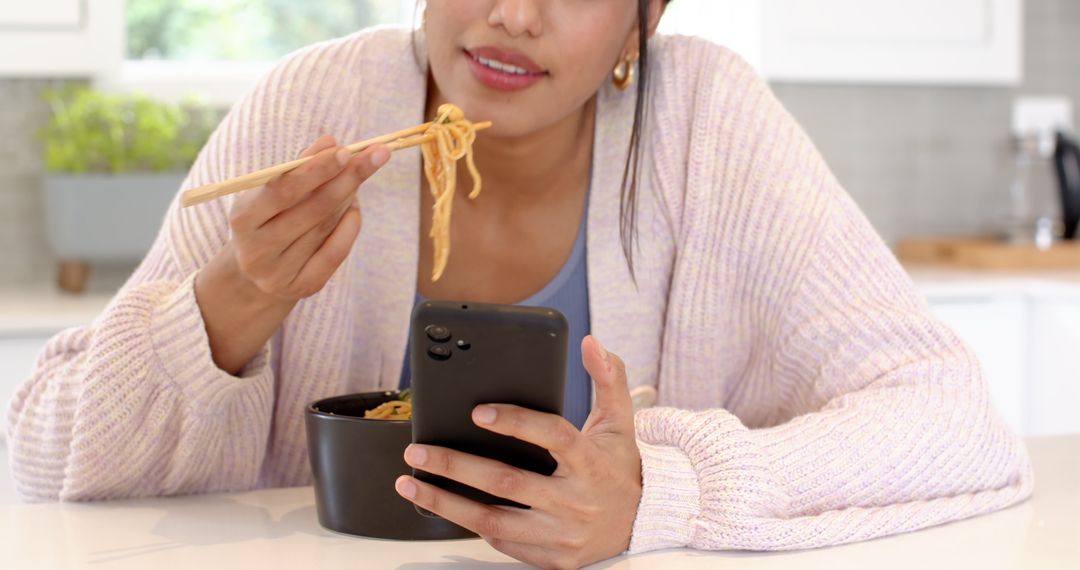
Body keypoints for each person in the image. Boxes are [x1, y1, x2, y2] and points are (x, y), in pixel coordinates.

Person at [6, 1, 1033, 568]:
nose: (510, 14)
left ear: (643, 22)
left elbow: (951, 420)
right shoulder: (318, 103)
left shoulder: (706, 124)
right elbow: (49, 456)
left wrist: (656, 498)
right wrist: (236, 303)